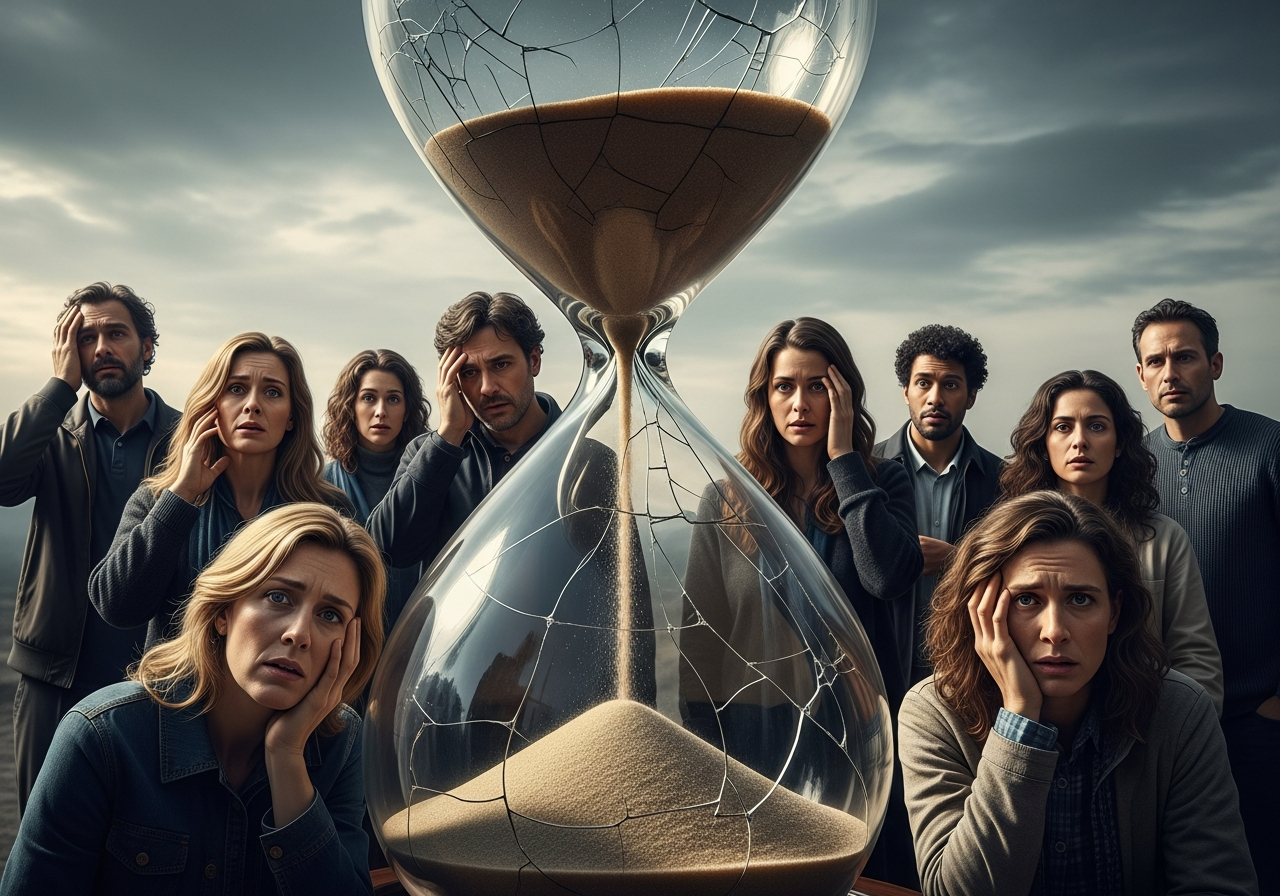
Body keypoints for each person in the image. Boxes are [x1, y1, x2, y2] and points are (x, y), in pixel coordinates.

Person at [1, 503, 386, 895]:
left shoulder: (342, 743)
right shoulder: (101, 737)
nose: (298, 634)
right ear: (224, 611)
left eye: (330, 616)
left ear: (351, 644)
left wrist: (286, 755)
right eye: (278, 597)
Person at [900, 491, 1257, 896]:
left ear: (1115, 613)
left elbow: (1218, 885)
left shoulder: (1179, 710)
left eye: (1080, 599)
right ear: (982, 610)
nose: (1055, 631)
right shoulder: (932, 712)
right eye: (1027, 600)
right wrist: (1019, 721)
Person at [731, 317, 922, 887]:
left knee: (858, 875)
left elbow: (886, 577)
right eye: (784, 386)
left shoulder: (882, 481)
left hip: (854, 719)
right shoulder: (731, 493)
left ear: (843, 394)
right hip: (757, 722)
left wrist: (843, 461)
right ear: (764, 397)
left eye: (818, 386)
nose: (800, 403)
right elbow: (703, 625)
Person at [0, 282, 181, 814]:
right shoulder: (53, 434)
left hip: (158, 676)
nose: (101, 346)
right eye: (86, 336)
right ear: (70, 351)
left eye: (116, 333)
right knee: (46, 837)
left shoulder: (186, 439)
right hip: (55, 675)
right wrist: (59, 387)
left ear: (145, 347)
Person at [1133, 298, 1280, 894]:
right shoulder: (1130, 464)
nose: (1171, 372)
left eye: (1185, 357)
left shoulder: (1269, 448)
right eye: (1156, 361)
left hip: (1256, 717)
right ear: (1140, 375)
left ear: (1215, 364)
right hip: (1161, 720)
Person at [89, 332, 352, 648]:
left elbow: (342, 622)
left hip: (282, 694)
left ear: (292, 417)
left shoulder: (326, 508)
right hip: (178, 694)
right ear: (212, 405)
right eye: (236, 389)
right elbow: (117, 607)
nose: (252, 405)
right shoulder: (157, 500)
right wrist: (181, 496)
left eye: (272, 392)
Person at [999, 369, 1222, 712]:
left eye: (1097, 426)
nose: (1080, 441)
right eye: (1063, 427)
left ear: (1119, 444)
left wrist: (1180, 739)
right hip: (1036, 724)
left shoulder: (1163, 539)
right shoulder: (1008, 538)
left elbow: (1197, 661)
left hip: (1143, 730)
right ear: (1043, 443)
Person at [367, 292, 557, 570]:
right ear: (451, 380)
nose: (486, 388)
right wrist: (448, 436)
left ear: (534, 360)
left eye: (500, 365)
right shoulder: (427, 453)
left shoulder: (582, 452)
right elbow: (386, 550)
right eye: (469, 372)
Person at [875, 324, 1001, 685]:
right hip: (880, 669)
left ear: (971, 395)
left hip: (970, 671)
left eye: (950, 385)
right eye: (923, 383)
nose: (935, 398)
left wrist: (957, 561)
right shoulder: (867, 472)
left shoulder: (1004, 480)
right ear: (905, 391)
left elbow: (1022, 576)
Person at [322, 349, 430, 632]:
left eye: (393, 399)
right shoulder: (322, 485)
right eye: (369, 398)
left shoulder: (430, 476)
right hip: (347, 636)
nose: (381, 411)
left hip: (420, 633)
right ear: (351, 406)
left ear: (407, 410)